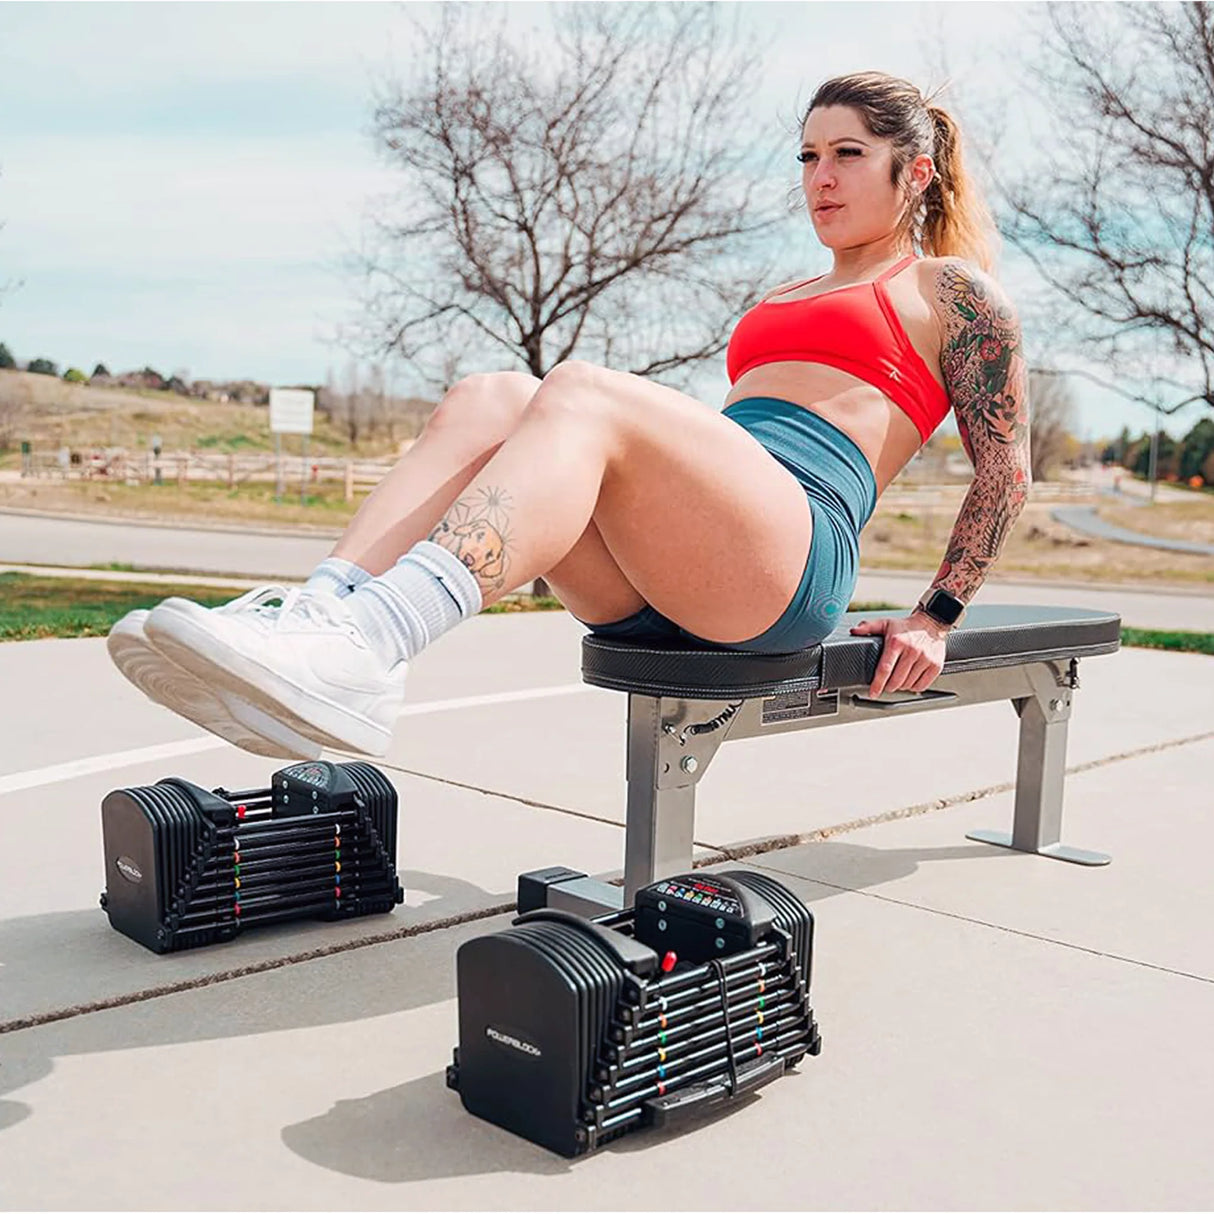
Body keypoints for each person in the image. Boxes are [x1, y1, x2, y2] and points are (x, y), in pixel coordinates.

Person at [108, 71, 1031, 761]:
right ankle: (325, 622)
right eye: (807, 156)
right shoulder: (786, 293)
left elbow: (1006, 471)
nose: (818, 177)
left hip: (788, 561)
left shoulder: (949, 292)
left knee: (580, 389)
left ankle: (370, 641)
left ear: (914, 173)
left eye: (846, 155)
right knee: (493, 396)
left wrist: (935, 615)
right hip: (681, 568)